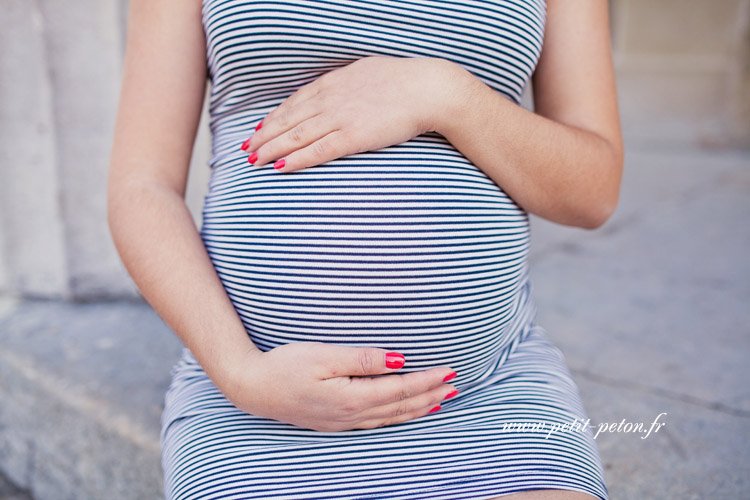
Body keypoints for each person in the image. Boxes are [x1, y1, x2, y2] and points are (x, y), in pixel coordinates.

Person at [108, 0, 623, 498]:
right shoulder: (248, 384)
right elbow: (142, 185)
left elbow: (593, 191)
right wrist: (241, 373)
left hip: (487, 391)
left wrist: (444, 95)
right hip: (261, 402)